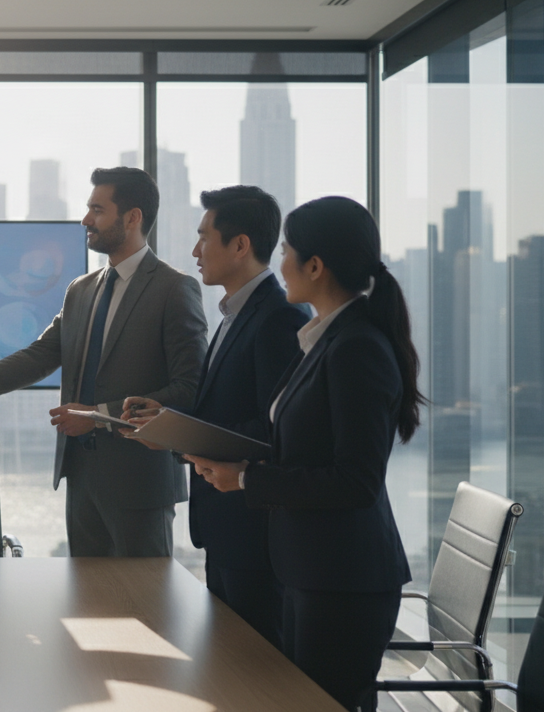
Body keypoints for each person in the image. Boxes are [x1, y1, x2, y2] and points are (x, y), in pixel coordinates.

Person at [186, 196, 420, 712]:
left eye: (288, 251)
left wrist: (248, 481)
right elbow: (300, 451)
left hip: (342, 582)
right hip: (309, 572)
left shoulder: (356, 346)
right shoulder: (323, 340)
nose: (280, 262)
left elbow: (355, 481)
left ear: (315, 266)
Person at [0, 167, 207, 557]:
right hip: (80, 478)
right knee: (88, 608)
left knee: (145, 608)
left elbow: (190, 388)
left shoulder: (175, 290)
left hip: (140, 485)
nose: (85, 220)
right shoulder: (81, 289)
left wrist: (98, 416)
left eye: (97, 209)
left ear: (132, 218)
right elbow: (40, 356)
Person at [123, 185, 307, 647]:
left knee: (254, 672)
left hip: (255, 535)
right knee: (230, 663)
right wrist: (168, 420)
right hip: (230, 531)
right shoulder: (233, 314)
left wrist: (180, 439)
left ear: (240, 245)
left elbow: (275, 428)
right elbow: (227, 410)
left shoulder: (277, 319)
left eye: (205, 237)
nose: (195, 251)